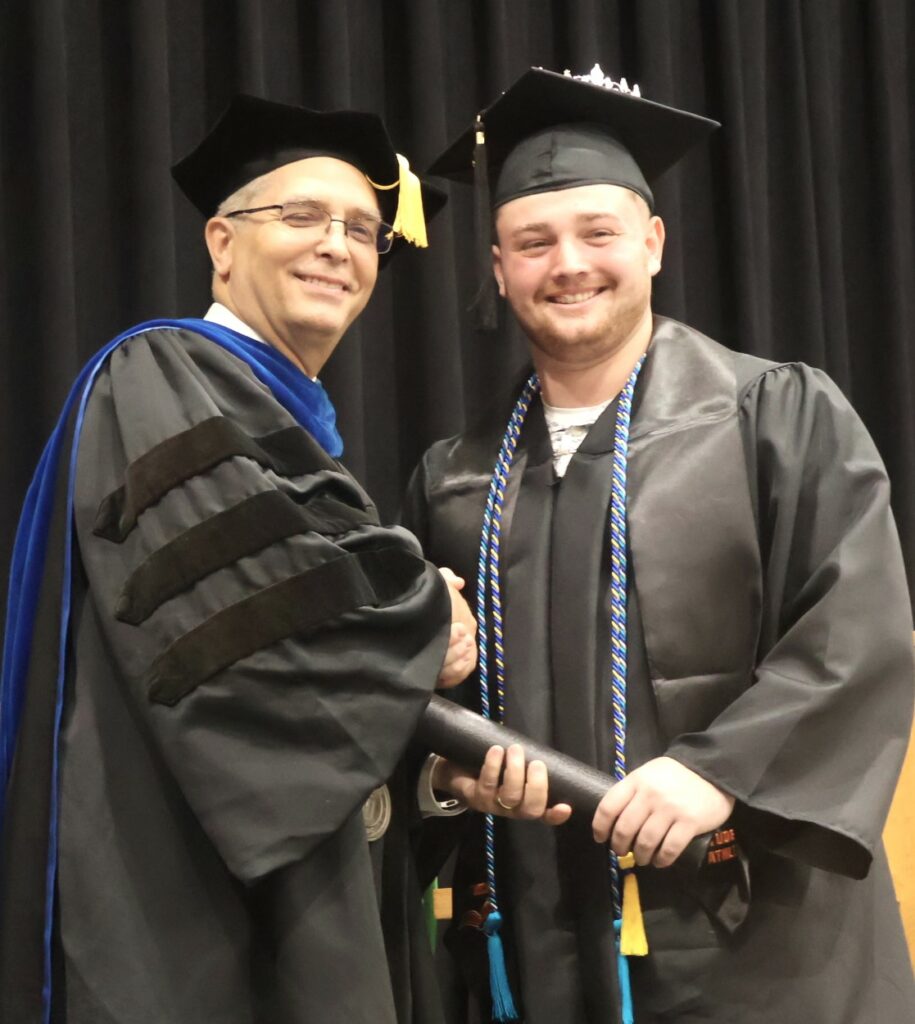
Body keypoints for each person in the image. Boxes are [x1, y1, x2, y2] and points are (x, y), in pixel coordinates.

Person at [404, 66, 915, 1024]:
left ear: (652, 242)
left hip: (752, 938)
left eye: (597, 234)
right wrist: (445, 774)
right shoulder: (453, 478)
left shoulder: (772, 416)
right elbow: (416, 701)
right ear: (498, 264)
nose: (568, 263)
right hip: (531, 928)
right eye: (532, 241)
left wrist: (718, 768)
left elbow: (857, 630)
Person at [0, 94, 478, 1024]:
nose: (337, 245)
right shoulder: (163, 373)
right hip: (169, 893)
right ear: (221, 243)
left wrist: (430, 774)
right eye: (300, 217)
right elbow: (260, 630)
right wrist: (425, 614)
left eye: (362, 229)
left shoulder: (282, 423)